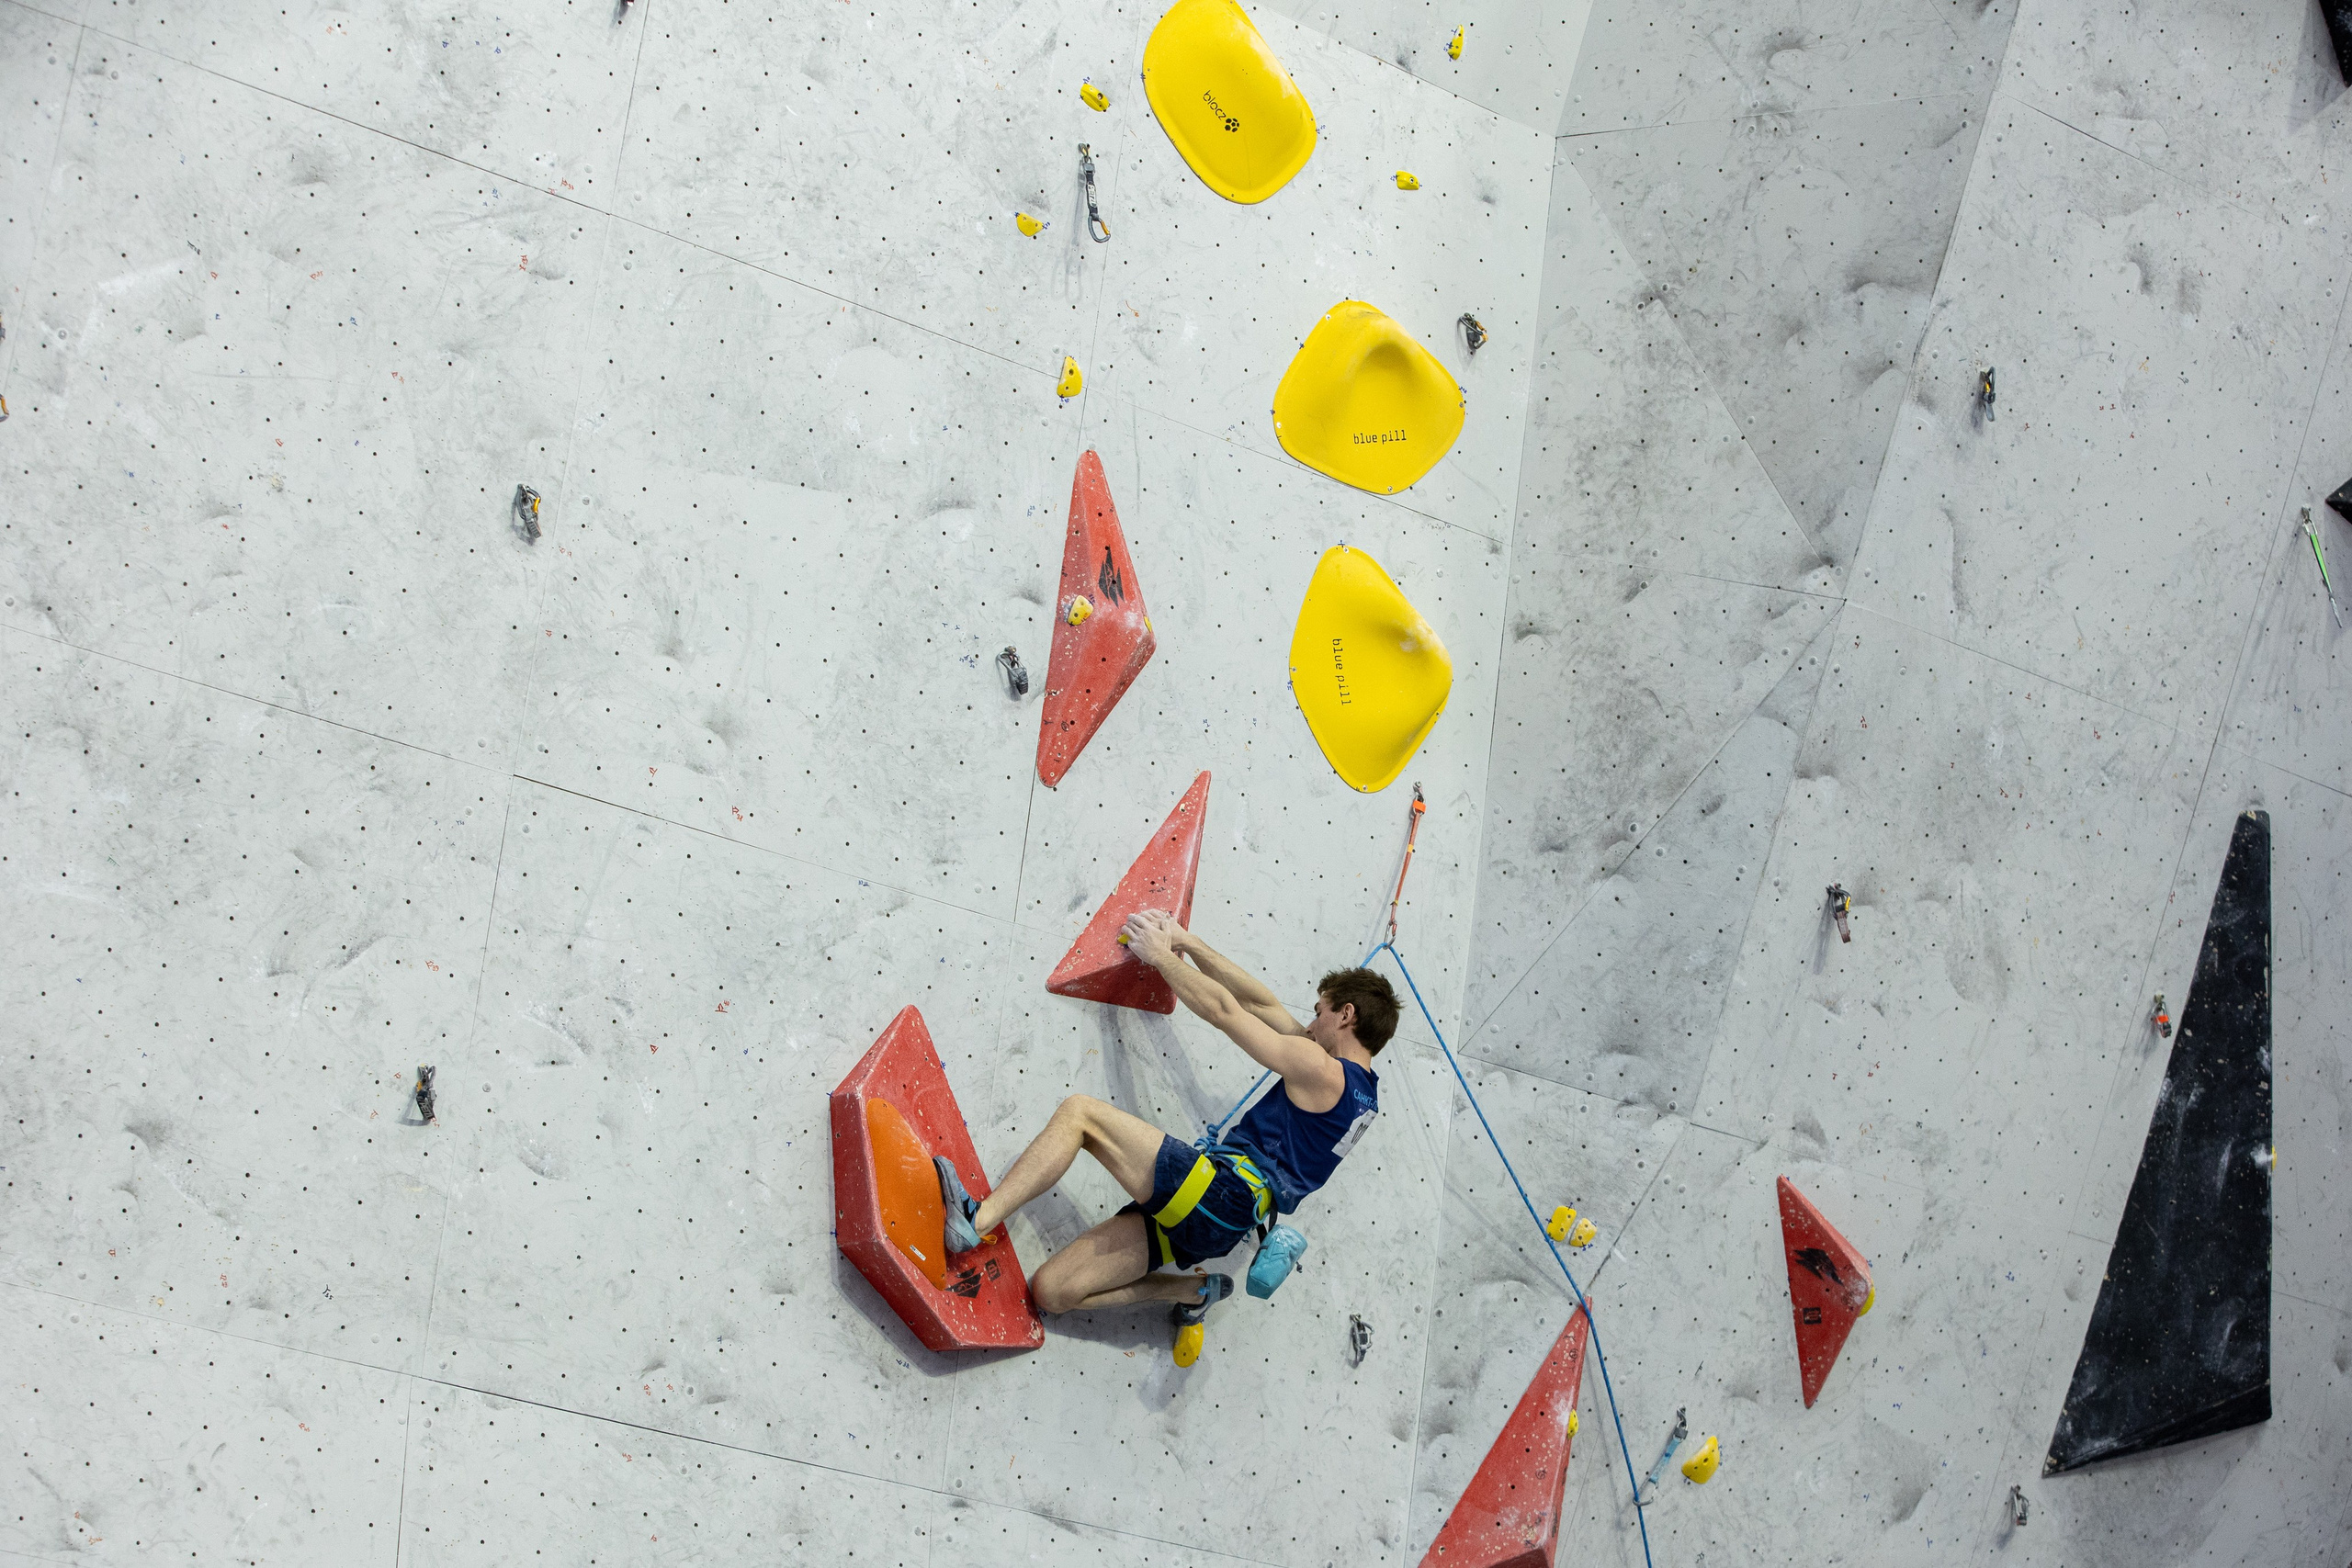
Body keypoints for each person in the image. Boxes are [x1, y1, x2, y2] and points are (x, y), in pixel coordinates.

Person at [936, 908, 1393, 1337]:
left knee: (1080, 1114)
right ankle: (1188, 1290)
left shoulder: (1321, 1069)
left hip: (1219, 1194)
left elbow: (1225, 1012)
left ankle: (976, 1222)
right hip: (1219, 1225)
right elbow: (1259, 1002)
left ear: (1346, 1014)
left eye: (1318, 1012)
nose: (1309, 1024)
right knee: (1052, 1292)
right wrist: (1187, 941)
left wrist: (1158, 955)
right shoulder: (1362, 1095)